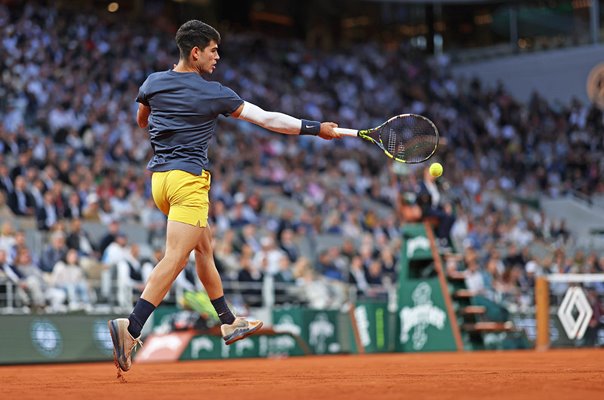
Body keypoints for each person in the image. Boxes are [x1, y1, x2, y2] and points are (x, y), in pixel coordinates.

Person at [108, 19, 341, 373]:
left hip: (160, 183)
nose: (218, 56)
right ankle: (132, 326)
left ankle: (229, 321)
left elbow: (142, 120)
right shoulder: (214, 92)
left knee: (204, 248)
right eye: (214, 50)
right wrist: (315, 129)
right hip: (188, 182)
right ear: (196, 52)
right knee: (174, 259)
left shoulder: (152, 82)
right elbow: (267, 119)